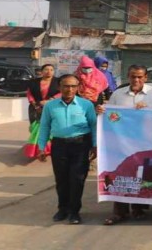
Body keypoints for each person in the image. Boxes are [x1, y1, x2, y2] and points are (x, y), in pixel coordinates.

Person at [99, 65, 152, 225]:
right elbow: (110, 115)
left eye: (140, 77)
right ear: (128, 77)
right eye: (133, 76)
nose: (136, 80)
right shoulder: (118, 94)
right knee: (122, 174)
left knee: (143, 174)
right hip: (123, 141)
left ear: (146, 77)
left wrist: (148, 110)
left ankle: (138, 208)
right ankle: (120, 212)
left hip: (148, 142)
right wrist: (103, 111)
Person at [37, 74, 97, 225]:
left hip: (81, 145)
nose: (69, 89)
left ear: (77, 88)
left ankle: (74, 212)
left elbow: (94, 126)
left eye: (73, 86)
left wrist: (95, 145)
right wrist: (41, 147)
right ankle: (62, 209)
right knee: (62, 179)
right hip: (59, 146)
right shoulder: (50, 106)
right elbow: (44, 126)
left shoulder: (86, 105)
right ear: (59, 87)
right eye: (66, 86)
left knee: (77, 179)